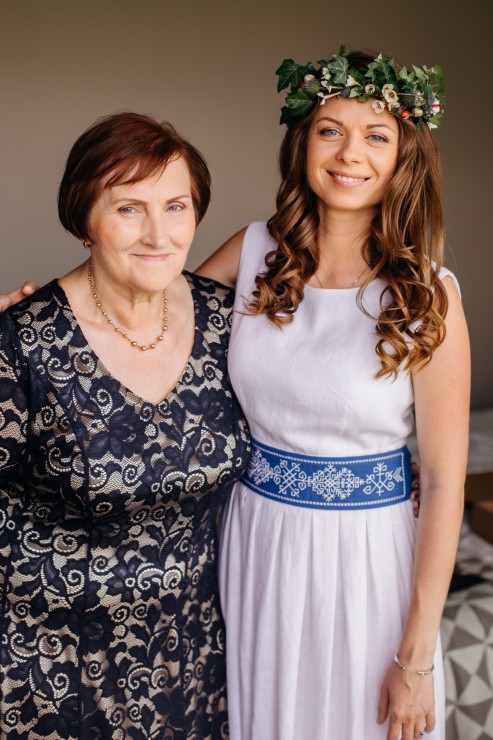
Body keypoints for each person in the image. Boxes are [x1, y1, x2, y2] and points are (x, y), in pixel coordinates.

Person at [193, 48, 470, 739]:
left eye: (376, 135)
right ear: (303, 143)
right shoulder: (252, 252)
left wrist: (415, 658)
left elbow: (443, 482)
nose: (350, 153)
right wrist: (44, 309)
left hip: (367, 556)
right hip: (257, 541)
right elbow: (146, 325)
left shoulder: (427, 294)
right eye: (330, 130)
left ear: (404, 156)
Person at [0, 112, 250, 738]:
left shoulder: (228, 322)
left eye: (176, 206)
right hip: (52, 671)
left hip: (191, 661)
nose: (158, 234)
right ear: (83, 218)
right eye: (128, 208)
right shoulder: (22, 340)